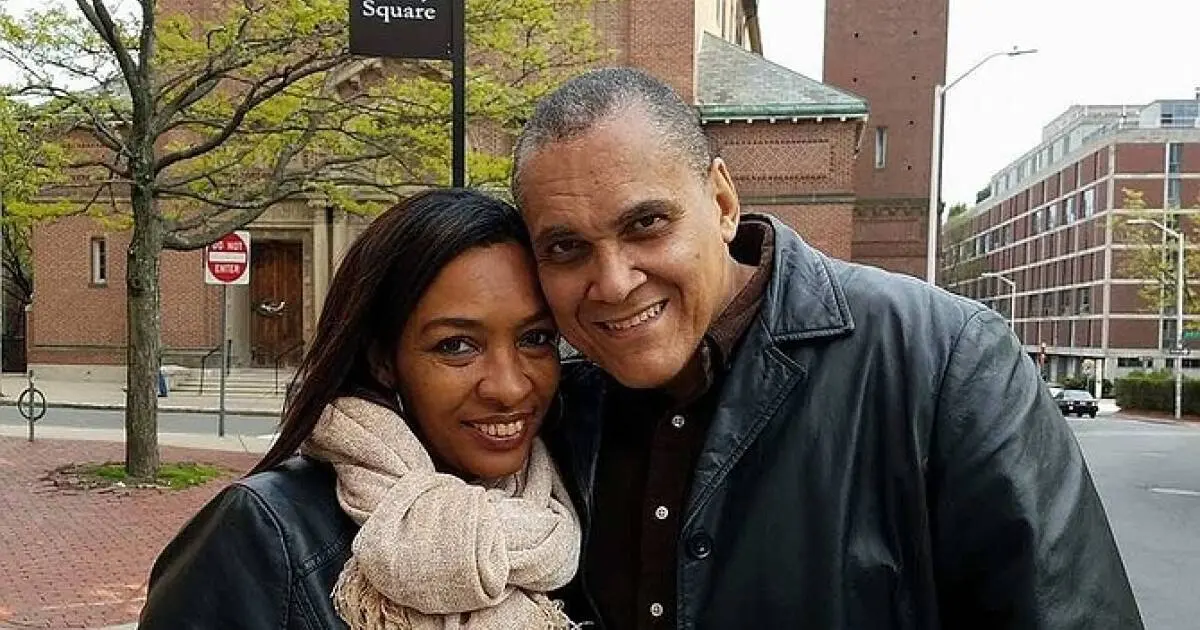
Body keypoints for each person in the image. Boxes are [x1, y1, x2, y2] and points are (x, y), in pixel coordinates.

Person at [514, 67, 1144, 629]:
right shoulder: (555, 399)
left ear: (723, 202)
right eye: (566, 248)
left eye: (646, 224)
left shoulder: (943, 360)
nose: (614, 282)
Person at [140, 189, 582, 629]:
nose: (508, 387)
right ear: (382, 359)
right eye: (456, 346)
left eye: (535, 339)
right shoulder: (264, 534)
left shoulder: (565, 519)